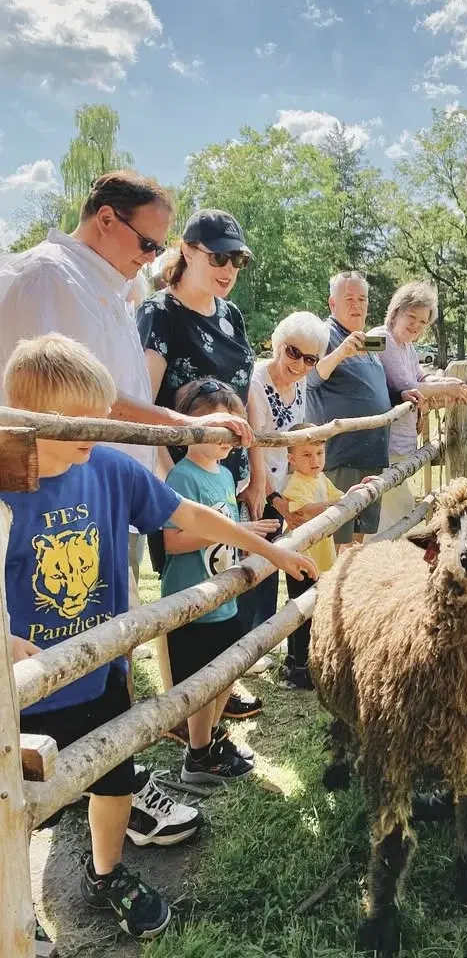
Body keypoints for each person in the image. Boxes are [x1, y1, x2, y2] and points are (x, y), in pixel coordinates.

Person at [1, 334, 312, 942]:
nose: (93, 427)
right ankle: (17, 917)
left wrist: (265, 546)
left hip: (101, 671)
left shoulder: (110, 467)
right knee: (19, 810)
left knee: (115, 781)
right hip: (23, 695)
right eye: (74, 419)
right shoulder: (5, 484)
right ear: (28, 420)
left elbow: (187, 517)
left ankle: (106, 871)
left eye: (98, 412)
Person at [0, 172, 250, 852]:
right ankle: (66, 787)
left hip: (106, 487)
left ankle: (110, 775)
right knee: (53, 634)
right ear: (105, 219)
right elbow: (76, 399)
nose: (152, 256)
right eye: (146, 240)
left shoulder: (109, 284)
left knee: (109, 634)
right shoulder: (52, 280)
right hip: (54, 492)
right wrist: (178, 428)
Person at [137, 208, 265, 721]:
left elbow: (244, 398)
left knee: (221, 581)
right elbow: (145, 402)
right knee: (183, 596)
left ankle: (215, 689)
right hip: (180, 477)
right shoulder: (158, 313)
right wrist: (168, 479)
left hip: (225, 476)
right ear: (187, 250)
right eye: (218, 256)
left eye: (236, 259)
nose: (229, 269)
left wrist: (254, 470)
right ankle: (178, 709)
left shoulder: (230, 315)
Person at [161, 380, 316, 781]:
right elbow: (173, 542)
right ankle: (197, 756)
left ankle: (211, 739)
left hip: (224, 598)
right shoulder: (182, 478)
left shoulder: (227, 477)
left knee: (224, 675)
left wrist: (245, 531)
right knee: (199, 685)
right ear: (195, 426)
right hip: (192, 601)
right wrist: (233, 530)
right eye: (224, 429)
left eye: (238, 430)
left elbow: (228, 533)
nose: (232, 439)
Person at [241, 311, 330, 643]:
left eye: (309, 359)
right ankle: (248, 640)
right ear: (278, 344)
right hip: (256, 484)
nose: (299, 364)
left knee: (276, 560)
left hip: (281, 483)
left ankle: (264, 638)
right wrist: (273, 499)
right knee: (255, 562)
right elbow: (256, 445)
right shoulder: (256, 383)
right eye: (293, 352)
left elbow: (296, 436)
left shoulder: (301, 381)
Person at [372, 282, 467, 531]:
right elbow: (407, 384)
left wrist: (447, 381)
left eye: (423, 322)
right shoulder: (382, 339)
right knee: (396, 508)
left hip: (402, 440)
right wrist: (447, 389)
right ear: (396, 311)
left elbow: (421, 378)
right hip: (386, 441)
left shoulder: (407, 346)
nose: (416, 325)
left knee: (394, 508)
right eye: (412, 317)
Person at [280, 424, 375, 688]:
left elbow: (338, 497)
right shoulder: (295, 484)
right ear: (292, 459)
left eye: (319, 453)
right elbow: (304, 511)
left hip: (320, 558)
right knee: (301, 611)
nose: (315, 460)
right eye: (307, 455)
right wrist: (335, 503)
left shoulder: (320, 479)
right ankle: (298, 666)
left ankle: (304, 662)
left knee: (313, 608)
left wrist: (355, 490)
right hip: (301, 559)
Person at [306, 271, 391, 547]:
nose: (357, 305)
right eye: (349, 299)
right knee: (336, 541)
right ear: (332, 304)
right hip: (341, 457)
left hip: (371, 454)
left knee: (357, 543)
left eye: (362, 299)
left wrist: (405, 395)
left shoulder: (367, 340)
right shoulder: (322, 335)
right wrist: (340, 352)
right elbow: (310, 378)